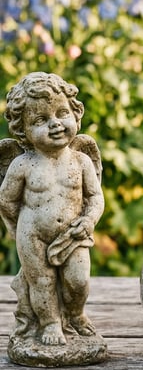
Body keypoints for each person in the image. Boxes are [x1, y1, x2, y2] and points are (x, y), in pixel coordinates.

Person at [0, 72, 104, 346]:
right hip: (33, 235)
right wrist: (19, 226)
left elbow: (95, 197)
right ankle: (49, 324)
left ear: (75, 114)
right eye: (40, 120)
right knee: (42, 283)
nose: (55, 124)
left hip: (74, 234)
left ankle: (76, 314)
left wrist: (89, 220)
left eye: (62, 113)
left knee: (79, 280)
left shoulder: (81, 161)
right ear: (23, 129)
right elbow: (7, 201)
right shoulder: (22, 165)